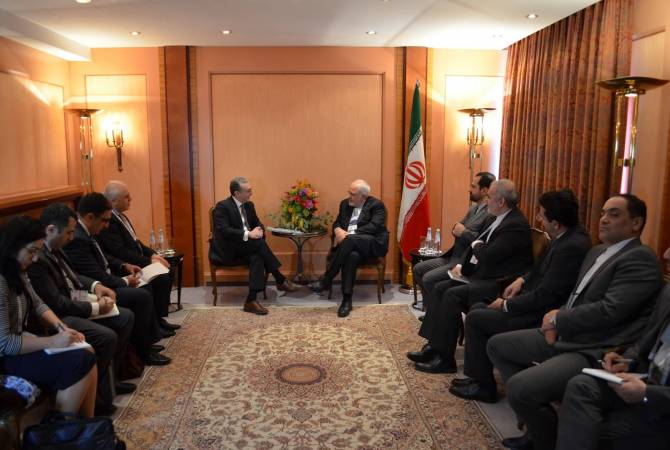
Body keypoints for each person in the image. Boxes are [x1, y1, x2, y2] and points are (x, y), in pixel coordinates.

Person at [487, 194, 663, 450]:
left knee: (520, 388)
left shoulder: (640, 259)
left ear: (636, 223)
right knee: (497, 345)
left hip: (592, 347)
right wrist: (556, 318)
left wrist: (558, 319)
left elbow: (609, 311)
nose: (604, 219)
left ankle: (543, 438)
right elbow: (577, 297)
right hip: (564, 332)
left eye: (614, 215)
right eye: (603, 213)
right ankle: (538, 423)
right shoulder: (597, 252)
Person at [449, 189, 592, 403]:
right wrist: (522, 280)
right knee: (478, 309)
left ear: (556, 223)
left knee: (477, 318)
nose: (538, 219)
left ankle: (484, 388)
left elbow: (547, 295)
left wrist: (506, 305)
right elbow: (539, 268)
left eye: (542, 215)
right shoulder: (566, 236)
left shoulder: (571, 247)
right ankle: (478, 378)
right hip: (531, 298)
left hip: (540, 314)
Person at [407, 179, 533, 373]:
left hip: (498, 283)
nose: (486, 201)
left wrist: (475, 244)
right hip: (482, 275)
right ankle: (434, 347)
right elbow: (479, 251)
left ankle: (446, 361)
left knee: (451, 294)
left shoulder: (515, 224)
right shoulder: (494, 218)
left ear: (501, 202)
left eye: (490, 197)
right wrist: (463, 267)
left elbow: (487, 255)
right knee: (440, 287)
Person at [555, 247, 670, 450]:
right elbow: (648, 339)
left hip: (661, 404)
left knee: (586, 432)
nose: (666, 254)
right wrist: (628, 360)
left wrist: (647, 393)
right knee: (582, 385)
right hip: (647, 380)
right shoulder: (668, 292)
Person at [27, 203, 136, 415]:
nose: (72, 237)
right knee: (106, 337)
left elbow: (73, 279)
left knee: (125, 317)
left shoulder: (56, 248)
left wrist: (96, 288)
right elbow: (57, 303)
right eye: (68, 232)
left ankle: (108, 382)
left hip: (73, 301)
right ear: (51, 230)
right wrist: (95, 307)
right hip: (60, 316)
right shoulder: (38, 259)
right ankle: (95, 395)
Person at [0, 216, 97, 417]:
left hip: (18, 344)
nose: (35, 258)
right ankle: (63, 429)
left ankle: (86, 424)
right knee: (79, 361)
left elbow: (38, 304)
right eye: (32, 251)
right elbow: (5, 344)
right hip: (6, 357)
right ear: (13, 246)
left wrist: (62, 328)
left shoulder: (17, 269)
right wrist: (53, 341)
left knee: (87, 351)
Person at [63, 193, 171, 366]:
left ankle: (145, 343)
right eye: (104, 221)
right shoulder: (77, 239)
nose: (106, 225)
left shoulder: (87, 231)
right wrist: (126, 281)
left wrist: (123, 265)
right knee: (141, 296)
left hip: (102, 282)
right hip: (89, 292)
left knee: (144, 288)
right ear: (90, 217)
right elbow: (95, 275)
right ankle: (143, 353)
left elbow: (104, 256)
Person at [209, 176, 299, 315]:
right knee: (259, 244)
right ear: (236, 193)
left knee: (257, 257)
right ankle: (280, 278)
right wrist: (249, 234)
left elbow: (257, 222)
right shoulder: (222, 207)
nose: (251, 193)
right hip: (228, 251)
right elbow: (225, 231)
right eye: (248, 191)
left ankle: (251, 300)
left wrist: (259, 230)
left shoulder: (249, 205)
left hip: (248, 248)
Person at [99, 180, 179, 331]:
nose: (130, 199)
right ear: (113, 201)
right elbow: (120, 252)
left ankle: (159, 318)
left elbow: (136, 242)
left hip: (137, 261)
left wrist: (154, 255)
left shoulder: (121, 216)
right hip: (126, 267)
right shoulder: (110, 221)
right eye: (126, 197)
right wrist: (148, 261)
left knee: (168, 269)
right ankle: (155, 323)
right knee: (161, 278)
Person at [412, 172, 495, 310]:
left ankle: (436, 312)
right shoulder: (473, 208)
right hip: (452, 255)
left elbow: (481, 241)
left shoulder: (490, 213)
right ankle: (430, 309)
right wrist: (461, 231)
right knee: (418, 269)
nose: (469, 189)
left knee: (428, 278)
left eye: (473, 186)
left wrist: (464, 232)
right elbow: (456, 227)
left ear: (484, 190)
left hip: (462, 261)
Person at [309, 179, 389, 317]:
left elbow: (374, 227)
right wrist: (337, 230)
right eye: (349, 193)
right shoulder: (345, 204)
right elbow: (337, 222)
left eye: (352, 194)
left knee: (350, 239)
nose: (349, 196)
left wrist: (349, 234)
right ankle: (346, 300)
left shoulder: (377, 205)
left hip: (372, 244)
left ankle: (326, 279)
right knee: (352, 256)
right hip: (350, 247)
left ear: (363, 196)